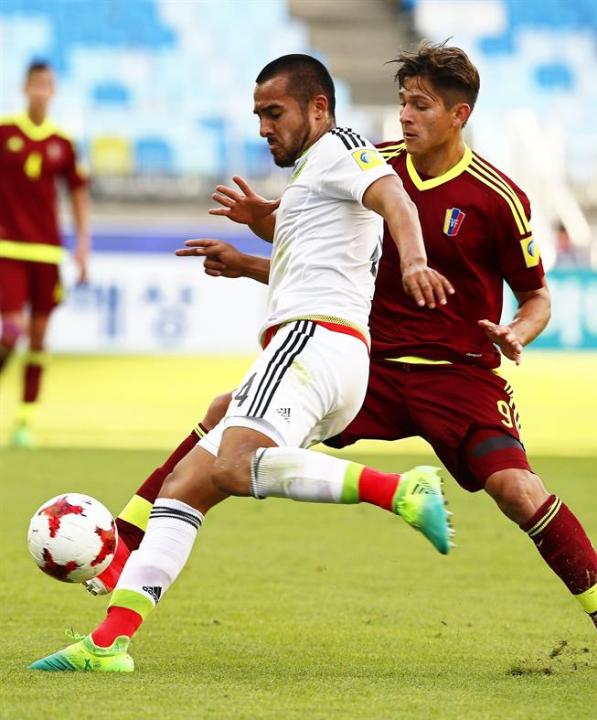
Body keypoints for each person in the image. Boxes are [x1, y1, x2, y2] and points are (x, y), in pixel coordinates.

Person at [90, 42, 597, 673]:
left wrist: (519, 330)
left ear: (459, 114)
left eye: (422, 105)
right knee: (228, 415)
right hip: (370, 364)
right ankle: (125, 540)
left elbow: (538, 295)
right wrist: (253, 251)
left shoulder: (497, 197)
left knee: (517, 491)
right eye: (404, 101)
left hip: (456, 374)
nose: (406, 116)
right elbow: (324, 258)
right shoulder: (372, 161)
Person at [29, 53, 455, 673]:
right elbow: (315, 260)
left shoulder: (343, 149)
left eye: (274, 112)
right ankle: (108, 644)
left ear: (318, 106)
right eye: (258, 114)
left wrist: (414, 260)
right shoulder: (316, 170)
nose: (262, 127)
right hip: (333, 353)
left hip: (310, 343)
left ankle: (398, 489)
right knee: (185, 489)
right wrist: (255, 249)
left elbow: (397, 200)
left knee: (230, 464)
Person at [0, 60, 90, 448]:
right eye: (35, 84)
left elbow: (77, 194)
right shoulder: (5, 132)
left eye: (47, 85)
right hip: (8, 248)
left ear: (53, 91)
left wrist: (83, 245)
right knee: (12, 330)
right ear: (25, 88)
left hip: (47, 251)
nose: (40, 91)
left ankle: (25, 421)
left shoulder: (63, 143)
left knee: (38, 339)